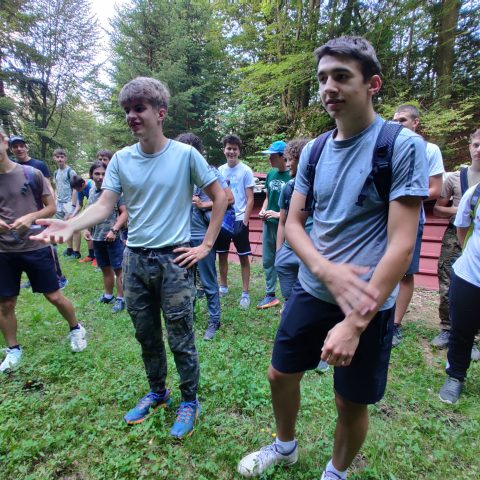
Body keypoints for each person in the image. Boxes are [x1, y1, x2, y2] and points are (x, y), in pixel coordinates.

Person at [237, 36, 428, 479]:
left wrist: (355, 323)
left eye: (341, 76)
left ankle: (335, 472)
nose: (329, 87)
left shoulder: (400, 146)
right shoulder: (316, 150)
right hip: (313, 288)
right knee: (280, 375)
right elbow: (294, 223)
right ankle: (285, 447)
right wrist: (324, 270)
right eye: (323, 78)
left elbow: (401, 245)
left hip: (368, 299)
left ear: (372, 84)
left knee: (349, 400)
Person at [31, 76, 227, 438]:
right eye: (127, 110)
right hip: (135, 260)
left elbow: (221, 197)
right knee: (146, 334)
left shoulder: (185, 155)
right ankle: (158, 392)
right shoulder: (122, 159)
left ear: (160, 112)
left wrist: (205, 246)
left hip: (174, 261)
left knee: (181, 336)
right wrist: (70, 223)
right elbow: (105, 204)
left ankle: (189, 400)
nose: (131, 116)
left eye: (139, 108)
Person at [0, 127, 86, 373]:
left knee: (54, 295)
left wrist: (30, 217)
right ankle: (13, 349)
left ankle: (76, 328)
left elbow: (51, 207)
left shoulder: (32, 173)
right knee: (5, 303)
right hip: (3, 250)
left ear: (4, 141)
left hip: (36, 244)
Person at [391, 104, 444, 346]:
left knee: (405, 272)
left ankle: (395, 325)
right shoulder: (387, 147)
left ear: (416, 122)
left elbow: (435, 189)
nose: (398, 124)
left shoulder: (429, 149)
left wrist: (403, 196)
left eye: (403, 120)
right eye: (394, 120)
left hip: (412, 219)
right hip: (382, 219)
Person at [177, 132, 235, 340]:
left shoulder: (209, 171)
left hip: (202, 233)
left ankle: (214, 320)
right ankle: (188, 316)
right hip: (180, 233)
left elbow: (228, 198)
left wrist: (203, 204)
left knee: (208, 278)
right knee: (185, 279)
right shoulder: (176, 173)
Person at [431, 129, 480, 360]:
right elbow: (438, 209)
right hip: (454, 236)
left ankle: (473, 337)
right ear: (469, 147)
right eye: (476, 144)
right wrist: (463, 210)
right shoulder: (454, 178)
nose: (479, 149)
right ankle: (447, 328)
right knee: (448, 280)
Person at [438, 175, 480, 404]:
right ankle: (455, 375)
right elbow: (462, 230)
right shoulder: (474, 194)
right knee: (462, 329)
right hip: (470, 275)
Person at [8, 135, 68, 290]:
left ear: (26, 147)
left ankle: (59, 277)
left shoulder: (38, 165)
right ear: (11, 149)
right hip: (21, 216)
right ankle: (33, 277)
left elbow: (48, 187)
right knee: (28, 246)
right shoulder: (12, 166)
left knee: (48, 245)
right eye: (15, 146)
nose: (19, 149)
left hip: (40, 213)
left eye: (21, 145)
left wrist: (49, 210)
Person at [216, 134, 255, 309]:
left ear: (239, 151)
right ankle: (223, 287)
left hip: (239, 219)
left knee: (243, 257)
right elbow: (217, 195)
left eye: (234, 149)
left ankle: (245, 293)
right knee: (222, 254)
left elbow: (250, 199)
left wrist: (245, 222)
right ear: (224, 150)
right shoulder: (220, 170)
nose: (231, 152)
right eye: (228, 148)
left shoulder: (245, 170)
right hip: (223, 219)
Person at [83, 161, 127, 313]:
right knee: (105, 268)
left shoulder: (116, 191)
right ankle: (108, 296)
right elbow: (90, 213)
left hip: (113, 238)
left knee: (119, 269)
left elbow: (125, 213)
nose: (100, 177)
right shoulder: (92, 192)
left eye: (104, 174)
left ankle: (121, 299)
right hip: (97, 238)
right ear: (91, 175)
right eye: (97, 173)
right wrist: (87, 229)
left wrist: (114, 230)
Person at [256, 140, 291, 309]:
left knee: (284, 261)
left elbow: (297, 206)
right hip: (268, 224)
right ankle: (270, 295)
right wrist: (263, 210)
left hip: (284, 226)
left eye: (272, 155)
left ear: (283, 156)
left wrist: (278, 214)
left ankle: (289, 297)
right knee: (268, 259)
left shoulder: (293, 175)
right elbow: (268, 197)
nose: (269, 158)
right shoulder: (270, 174)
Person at [52, 149, 81, 259]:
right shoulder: (56, 172)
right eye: (57, 157)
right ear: (54, 158)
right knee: (65, 226)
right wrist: (55, 200)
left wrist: (72, 205)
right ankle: (69, 248)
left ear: (65, 158)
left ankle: (77, 252)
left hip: (69, 202)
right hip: (60, 203)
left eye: (62, 157)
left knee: (74, 226)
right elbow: (56, 187)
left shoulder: (71, 172)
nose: (60, 159)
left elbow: (75, 189)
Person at [69, 174, 96, 264]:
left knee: (95, 232)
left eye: (78, 189)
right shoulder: (80, 188)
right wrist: (72, 215)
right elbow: (80, 204)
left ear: (83, 184)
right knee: (87, 231)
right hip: (90, 209)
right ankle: (91, 255)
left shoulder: (92, 186)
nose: (77, 191)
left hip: (98, 209)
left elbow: (94, 204)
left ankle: (98, 257)